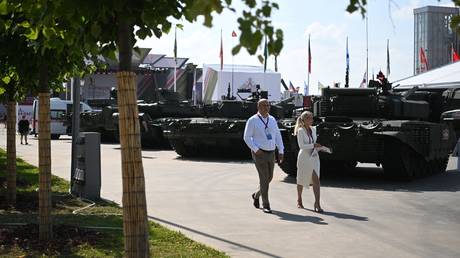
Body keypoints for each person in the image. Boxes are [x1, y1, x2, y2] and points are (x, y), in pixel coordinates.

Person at [243, 99, 284, 214]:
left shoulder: (272, 120)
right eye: (264, 105)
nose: (267, 107)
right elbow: (246, 137)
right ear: (258, 107)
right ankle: (266, 204)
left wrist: (281, 150)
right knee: (264, 179)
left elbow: (277, 135)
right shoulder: (253, 120)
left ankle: (256, 195)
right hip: (259, 153)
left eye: (268, 105)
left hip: (271, 152)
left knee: (269, 178)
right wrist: (256, 149)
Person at [294, 111, 323, 213]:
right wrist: (313, 145)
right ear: (304, 120)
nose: (311, 120)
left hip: (314, 157)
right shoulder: (300, 131)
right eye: (309, 118)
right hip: (304, 157)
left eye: (311, 118)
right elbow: (301, 146)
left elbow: (313, 142)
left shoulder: (313, 129)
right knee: (301, 179)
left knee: (316, 180)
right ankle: (299, 199)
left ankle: (317, 203)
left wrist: (319, 147)